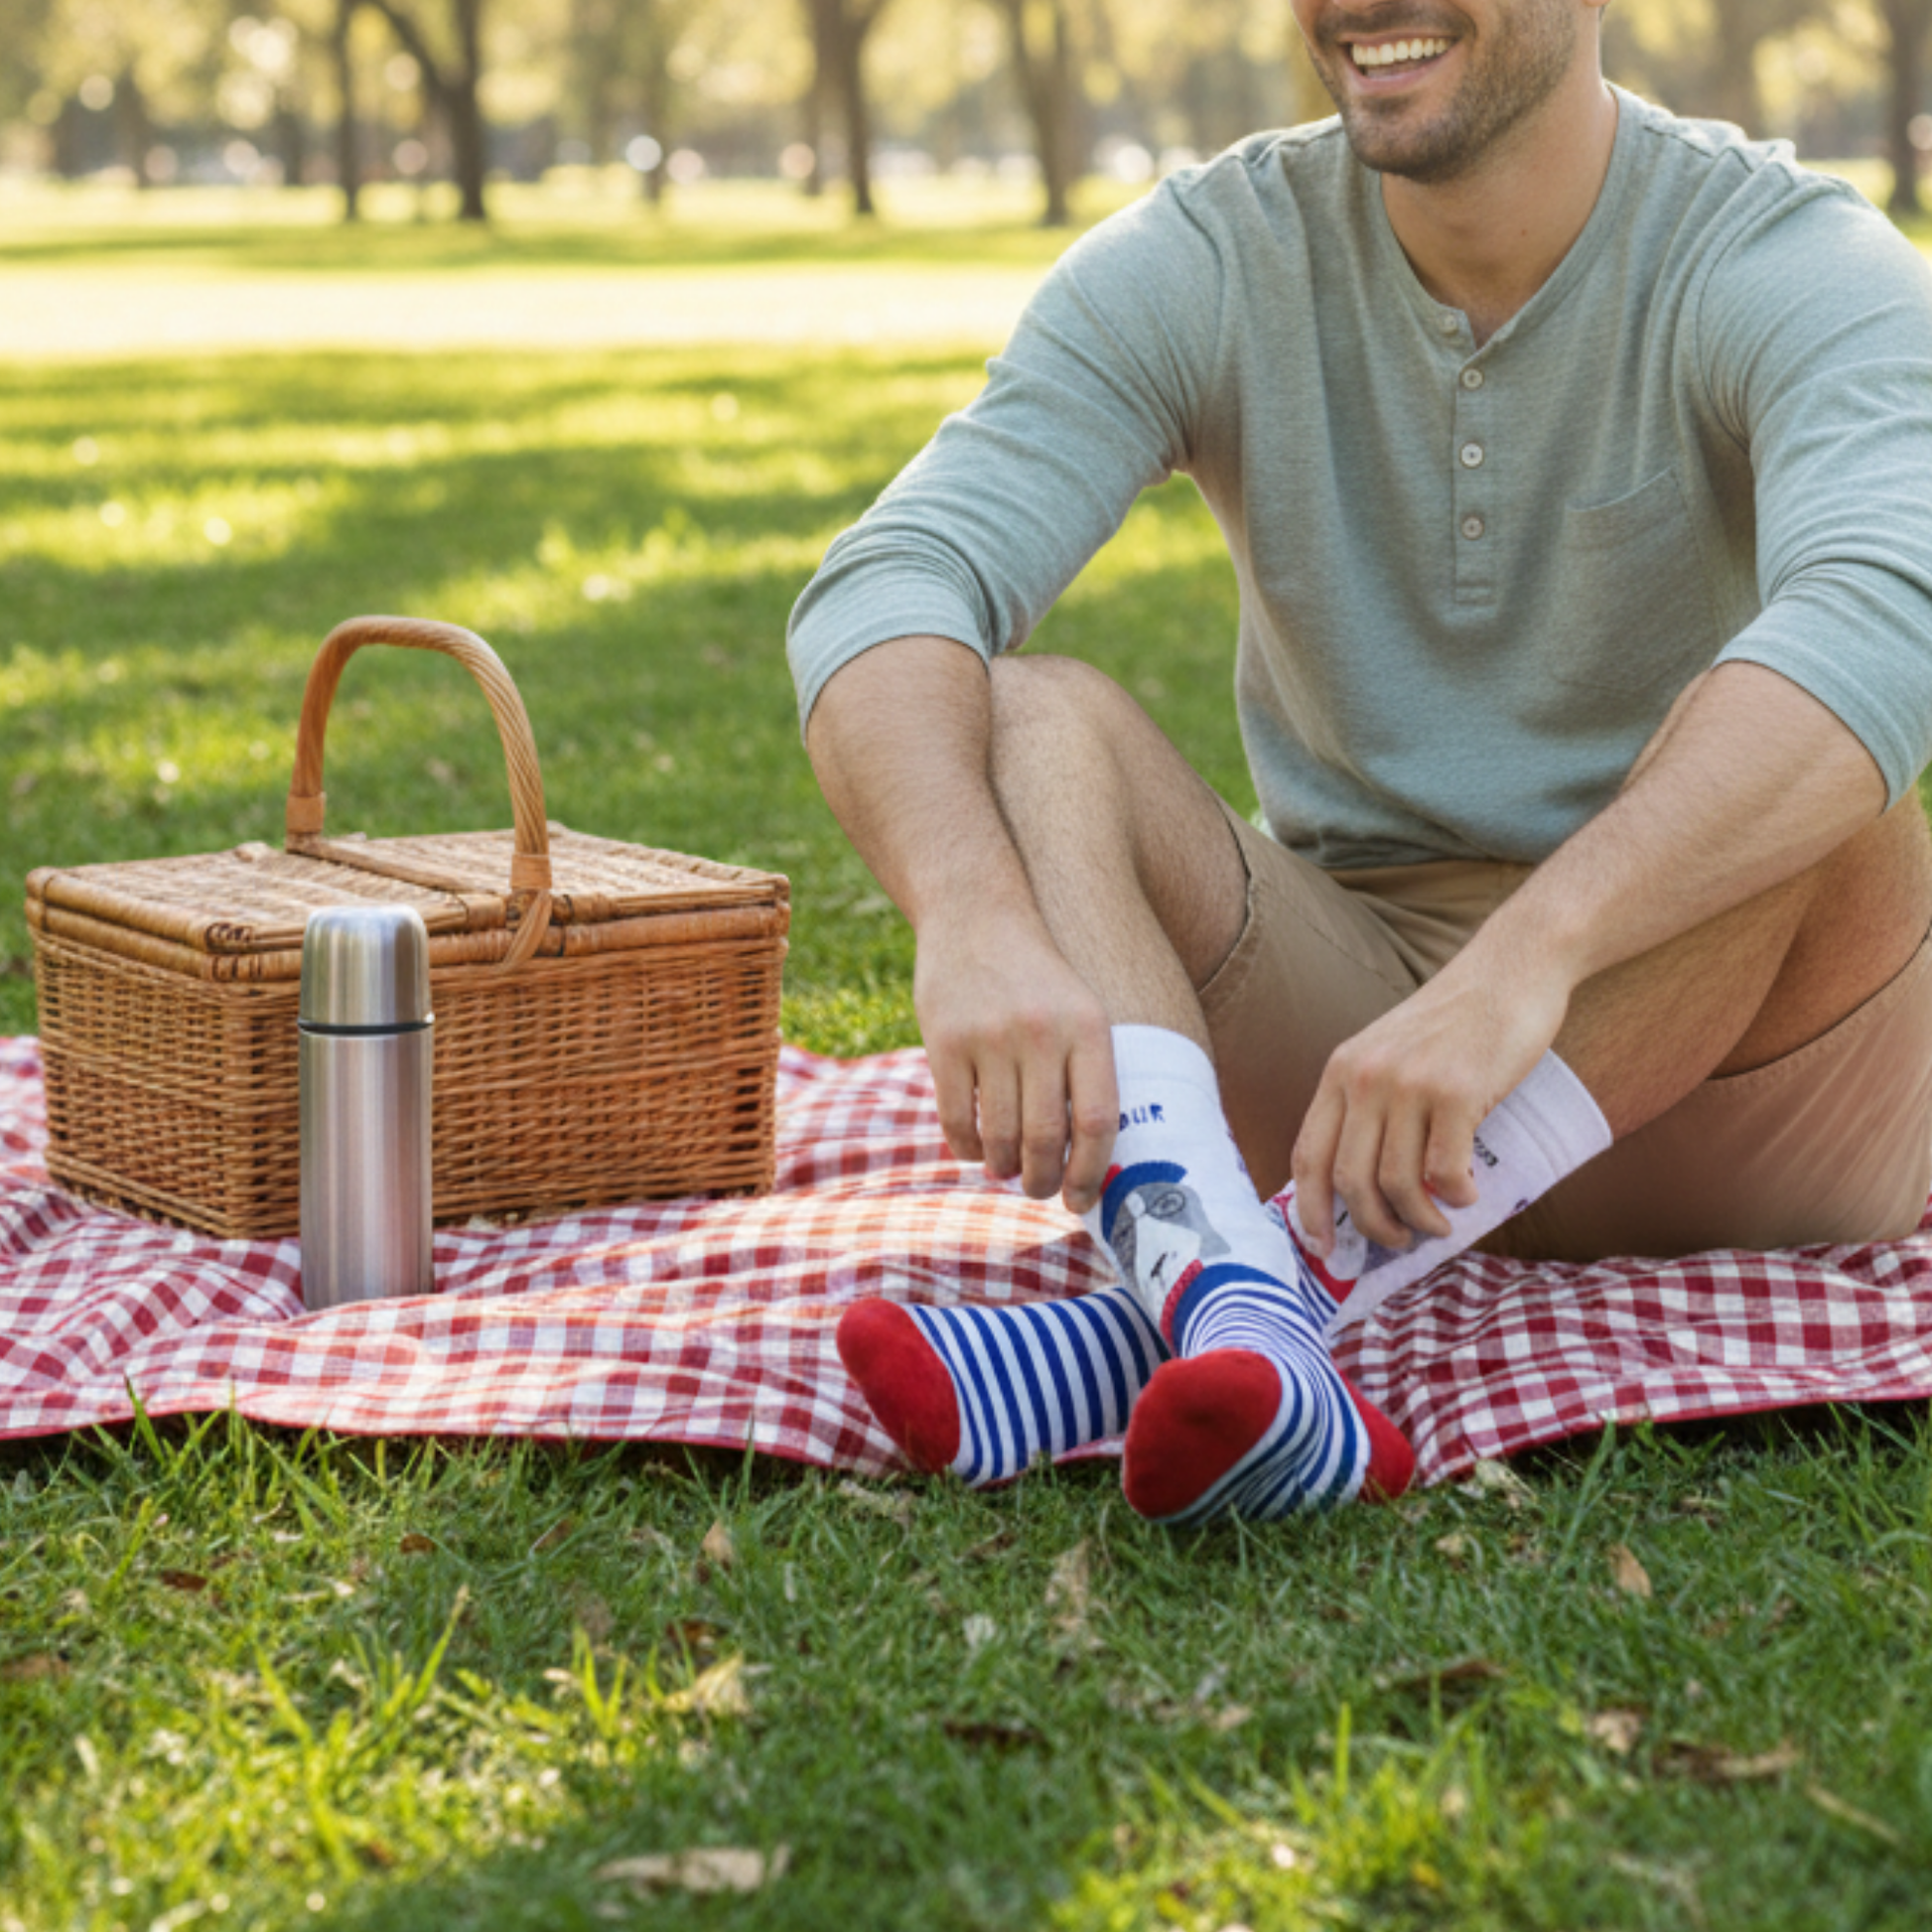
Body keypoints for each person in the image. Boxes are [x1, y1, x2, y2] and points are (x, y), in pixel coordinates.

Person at [786, 0, 1932, 1525]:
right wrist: (968, 913)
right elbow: (897, 576)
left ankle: (1215, 1306)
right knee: (1033, 715)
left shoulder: (1783, 260)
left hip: (1732, 1082)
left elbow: (1884, 614)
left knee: (1824, 784)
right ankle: (1243, 1310)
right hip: (1351, 1075)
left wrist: (1530, 956)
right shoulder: (1212, 252)